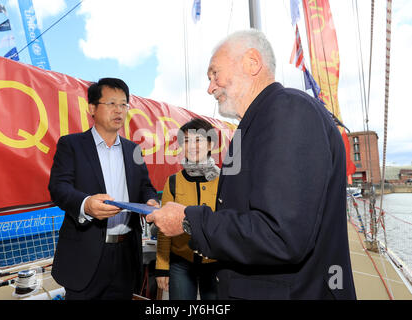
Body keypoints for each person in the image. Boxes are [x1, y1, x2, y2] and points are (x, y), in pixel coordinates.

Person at [147, 29, 357, 300]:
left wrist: (189, 221)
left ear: (252, 62)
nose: (210, 87)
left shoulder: (288, 111)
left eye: (214, 74)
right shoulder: (256, 126)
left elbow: (280, 235)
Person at [48, 77, 159, 300]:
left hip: (126, 254)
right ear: (92, 108)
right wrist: (86, 204)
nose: (118, 110)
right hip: (85, 255)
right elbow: (59, 187)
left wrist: (151, 201)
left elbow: (145, 187)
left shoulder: (133, 150)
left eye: (123, 104)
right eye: (111, 104)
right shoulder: (71, 145)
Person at [155, 118, 220, 300]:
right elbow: (163, 227)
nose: (192, 146)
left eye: (198, 140)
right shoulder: (173, 181)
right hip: (181, 263)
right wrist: (162, 267)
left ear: (210, 144)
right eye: (186, 141)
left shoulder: (224, 181)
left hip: (217, 262)